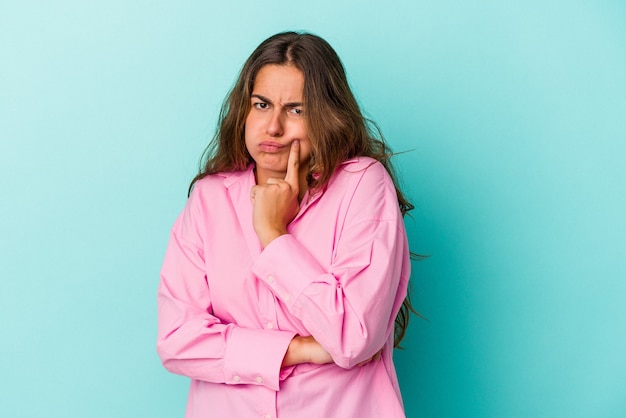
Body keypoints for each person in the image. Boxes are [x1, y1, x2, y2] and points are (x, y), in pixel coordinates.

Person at [157, 31, 414, 418]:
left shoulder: (362, 184)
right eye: (261, 105)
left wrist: (273, 234)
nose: (273, 127)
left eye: (296, 110)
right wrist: (298, 348)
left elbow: (354, 337)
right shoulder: (209, 199)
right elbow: (177, 340)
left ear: (327, 116)